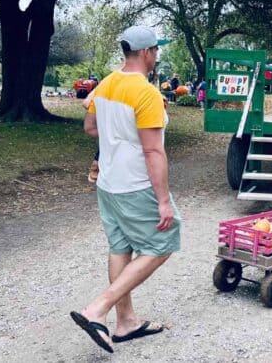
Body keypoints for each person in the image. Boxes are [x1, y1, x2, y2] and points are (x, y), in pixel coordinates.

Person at [71, 25, 180, 354]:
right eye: (156, 51)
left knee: (120, 247)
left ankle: (126, 322)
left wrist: (117, 134)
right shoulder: (145, 93)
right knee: (163, 242)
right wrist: (163, 202)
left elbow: (91, 127)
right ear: (147, 53)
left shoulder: (107, 83)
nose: (156, 56)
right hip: (136, 184)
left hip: (108, 182)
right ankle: (97, 310)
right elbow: (153, 152)